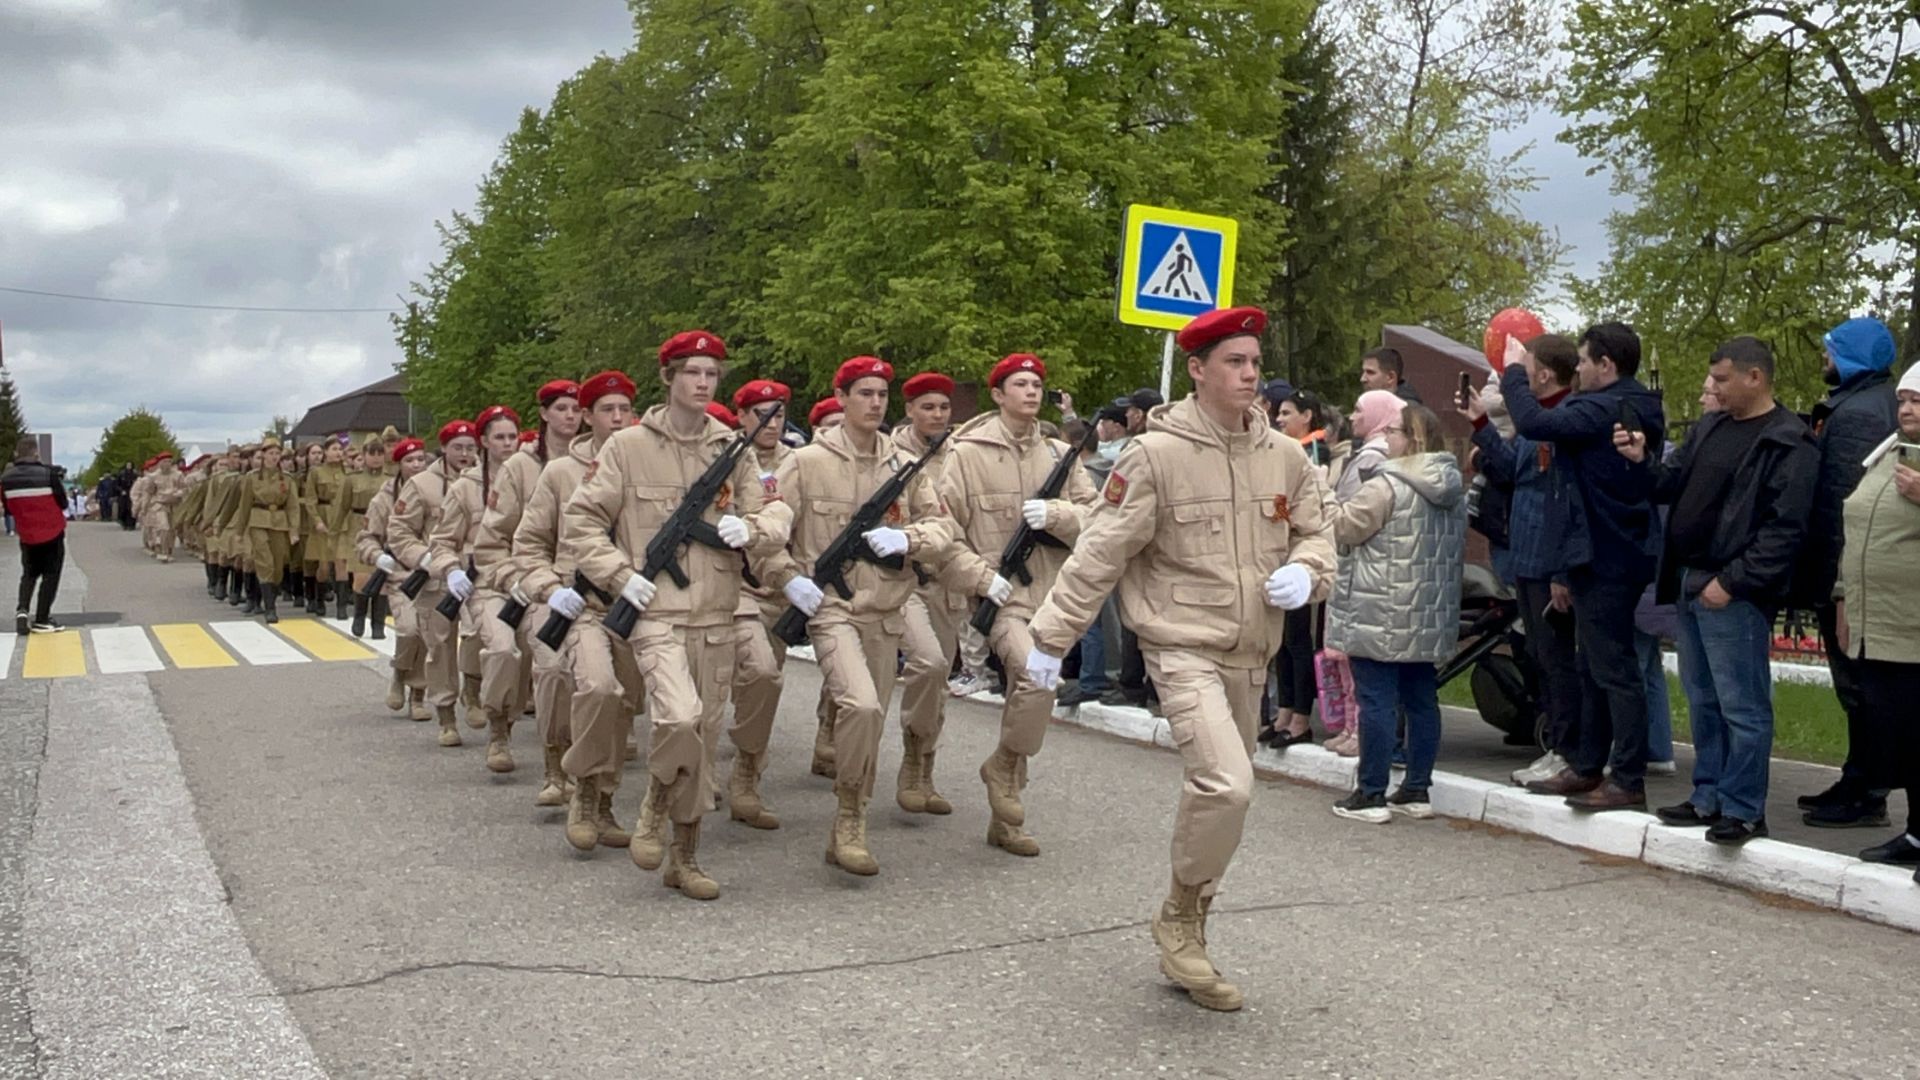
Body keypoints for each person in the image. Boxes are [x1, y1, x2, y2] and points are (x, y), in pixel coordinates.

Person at [1026, 306, 1335, 1013]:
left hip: (1251, 653)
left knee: (1221, 795)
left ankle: (1186, 910)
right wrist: (1050, 639)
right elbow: (1102, 549)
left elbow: (1320, 533)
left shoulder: (1284, 456)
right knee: (1227, 785)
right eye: (1234, 361)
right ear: (1196, 371)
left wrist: (1309, 571)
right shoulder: (1155, 456)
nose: (1250, 374)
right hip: (1179, 645)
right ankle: (1183, 926)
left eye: (1255, 362)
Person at [564, 332, 784, 900]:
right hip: (656, 612)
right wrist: (620, 575)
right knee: (679, 720)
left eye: (712, 373)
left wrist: (753, 529)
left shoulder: (733, 449)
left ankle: (684, 855)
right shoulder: (627, 446)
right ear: (668, 377)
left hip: (717, 613)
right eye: (692, 372)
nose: (704, 383)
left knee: (706, 738)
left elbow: (772, 512)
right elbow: (583, 522)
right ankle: (656, 800)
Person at [760, 356, 955, 878]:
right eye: (864, 393)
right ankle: (848, 813)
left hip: (887, 610)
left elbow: (942, 530)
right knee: (863, 706)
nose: (875, 403)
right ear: (841, 397)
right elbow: (770, 523)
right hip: (830, 610)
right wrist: (786, 577)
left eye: (881, 395)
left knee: (873, 718)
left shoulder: (903, 467)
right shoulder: (806, 463)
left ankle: (855, 815)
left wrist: (908, 538)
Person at [1620, 337, 1816, 844]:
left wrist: (1732, 582)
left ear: (1756, 377)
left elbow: (1784, 528)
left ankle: (1746, 807)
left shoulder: (1786, 440)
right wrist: (1642, 459)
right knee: (1703, 697)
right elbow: (1669, 484)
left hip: (1732, 590)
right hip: (1689, 578)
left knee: (1742, 705)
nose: (1713, 388)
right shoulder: (1711, 426)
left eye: (1723, 379)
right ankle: (1708, 794)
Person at [938, 353, 1097, 856]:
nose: (1031, 391)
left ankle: (1004, 794)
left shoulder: (1058, 454)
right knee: (1034, 674)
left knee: (1028, 694)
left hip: (1055, 597)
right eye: (1020, 384)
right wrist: (980, 578)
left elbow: (1098, 519)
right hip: (1003, 597)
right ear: (998, 395)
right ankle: (1005, 771)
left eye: (1036, 384)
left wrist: (1058, 514)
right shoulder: (966, 455)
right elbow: (944, 531)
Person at [1509, 323, 1666, 812]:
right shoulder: (1624, 405)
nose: (1576, 370)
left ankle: (1627, 776)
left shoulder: (1603, 409)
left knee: (1614, 668)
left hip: (1607, 554)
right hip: (1596, 551)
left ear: (1607, 365)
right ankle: (1587, 763)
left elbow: (1535, 421)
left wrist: (1515, 371)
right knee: (1592, 664)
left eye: (1582, 361)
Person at [1325, 402, 1467, 823]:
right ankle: (1417, 789)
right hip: (1428, 613)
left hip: (1379, 607)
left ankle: (1371, 793)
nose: (1387, 438)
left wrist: (1324, 499)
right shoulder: (1452, 488)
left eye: (1395, 432)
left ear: (1413, 439)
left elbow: (1346, 528)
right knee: (1422, 700)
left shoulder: (1386, 485)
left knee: (1376, 701)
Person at [516, 370, 641, 834]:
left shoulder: (645, 465)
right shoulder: (561, 471)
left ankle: (604, 798)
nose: (617, 418)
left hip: (637, 604)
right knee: (598, 687)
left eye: (624, 409)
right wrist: (552, 589)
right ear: (587, 417)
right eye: (607, 410)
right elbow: (527, 544)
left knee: (625, 704)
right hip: (582, 604)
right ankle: (585, 793)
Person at [1462, 335, 1588, 785]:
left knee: (1558, 660)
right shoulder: (1539, 426)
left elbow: (1567, 505)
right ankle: (1557, 743)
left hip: (1549, 560)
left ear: (1543, 373)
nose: (1520, 373)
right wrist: (1480, 422)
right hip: (1528, 556)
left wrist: (1561, 571)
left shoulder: (1562, 420)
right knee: (1540, 655)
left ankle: (1569, 748)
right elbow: (1515, 467)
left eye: (1525, 366)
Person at [1795, 317, 1901, 828]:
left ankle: (1867, 790)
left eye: (1831, 352)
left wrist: (1840, 591)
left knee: (1857, 687)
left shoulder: (1858, 415)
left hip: (1847, 580)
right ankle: (1857, 776)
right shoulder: (1872, 404)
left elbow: (1846, 508)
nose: (1824, 360)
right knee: (1859, 687)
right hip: (1850, 577)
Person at [477, 379, 581, 803]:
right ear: (544, 414)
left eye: (577, 408)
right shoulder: (520, 468)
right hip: (538, 586)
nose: (570, 416)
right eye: (561, 408)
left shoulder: (602, 460)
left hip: (592, 587)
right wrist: (518, 581)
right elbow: (492, 540)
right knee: (551, 667)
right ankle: (552, 765)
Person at [1836, 360, 1920, 879]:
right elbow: (1859, 527)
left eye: (1918, 404)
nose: (1907, 411)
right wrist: (1844, 596)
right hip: (1878, 621)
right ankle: (1917, 830)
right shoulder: (1889, 452)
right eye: (1905, 402)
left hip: (1915, 625)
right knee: (1901, 736)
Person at [430, 404, 525, 772]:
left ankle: (546, 750)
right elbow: (441, 541)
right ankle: (498, 731)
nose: (507, 444)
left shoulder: (536, 477)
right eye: (499, 437)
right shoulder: (466, 488)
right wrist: (450, 569)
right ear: (484, 442)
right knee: (503, 650)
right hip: (485, 583)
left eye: (512, 437)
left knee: (539, 663)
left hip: (531, 581)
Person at [722, 378, 800, 825]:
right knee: (755, 673)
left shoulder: (799, 461)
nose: (773, 423)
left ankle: (747, 765)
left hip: (779, 587)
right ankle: (740, 776)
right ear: (742, 416)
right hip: (733, 587)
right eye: (762, 414)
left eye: (780, 415)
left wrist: (796, 579)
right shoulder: (726, 456)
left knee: (763, 684)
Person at [890, 372, 966, 815]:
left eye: (943, 407)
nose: (937, 415)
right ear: (910, 411)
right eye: (927, 407)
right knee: (928, 663)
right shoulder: (891, 456)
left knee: (939, 682)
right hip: (905, 580)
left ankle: (923, 768)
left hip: (949, 581)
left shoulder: (963, 455)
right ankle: (910, 761)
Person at [388, 420, 480, 747]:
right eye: (458, 447)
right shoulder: (422, 484)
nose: (466, 454)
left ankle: (472, 688)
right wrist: (424, 559)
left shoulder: (487, 481)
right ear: (443, 448)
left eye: (471, 447)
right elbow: (399, 532)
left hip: (475, 576)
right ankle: (445, 715)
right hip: (434, 577)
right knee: (438, 646)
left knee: (476, 634)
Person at [1263, 387, 1337, 747]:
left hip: (1306, 558)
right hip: (1280, 552)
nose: (1279, 419)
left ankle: (1301, 717)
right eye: (1278, 413)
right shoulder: (1283, 453)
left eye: (1288, 413)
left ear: (1307, 416)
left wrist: (1280, 519)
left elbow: (1302, 504)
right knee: (1283, 640)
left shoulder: (1314, 453)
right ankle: (1285, 710)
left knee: (1299, 639)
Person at [365, 439, 433, 720]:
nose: (417, 465)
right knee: (408, 631)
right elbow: (367, 537)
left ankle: (418, 696)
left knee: (428, 637)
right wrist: (376, 555)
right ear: (399, 465)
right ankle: (399, 674)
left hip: (432, 573)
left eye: (420, 459)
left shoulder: (438, 492)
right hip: (400, 575)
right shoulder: (384, 499)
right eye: (410, 460)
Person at [2, 435, 70, 634]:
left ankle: (22, 610)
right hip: (52, 532)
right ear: (36, 453)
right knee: (51, 574)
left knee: (29, 573)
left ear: (16, 454)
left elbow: (8, 508)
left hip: (27, 534)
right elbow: (63, 502)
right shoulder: (48, 474)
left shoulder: (5, 480)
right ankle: (42, 618)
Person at [239, 438, 305, 625]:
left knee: (278, 565)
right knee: (264, 561)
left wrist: (294, 529)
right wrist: (239, 530)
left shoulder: (287, 478)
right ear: (263, 455)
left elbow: (293, 506)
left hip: (280, 522)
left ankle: (268, 596)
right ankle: (270, 609)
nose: (274, 457)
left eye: (277, 454)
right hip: (258, 520)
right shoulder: (252, 478)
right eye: (270, 454)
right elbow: (244, 505)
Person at [334, 436, 391, 639]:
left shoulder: (391, 479)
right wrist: (334, 532)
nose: (376, 458)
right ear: (364, 456)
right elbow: (341, 507)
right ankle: (359, 617)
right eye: (371, 454)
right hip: (358, 528)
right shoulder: (352, 479)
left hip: (384, 531)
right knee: (361, 577)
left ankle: (378, 624)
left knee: (382, 578)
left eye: (379, 454)